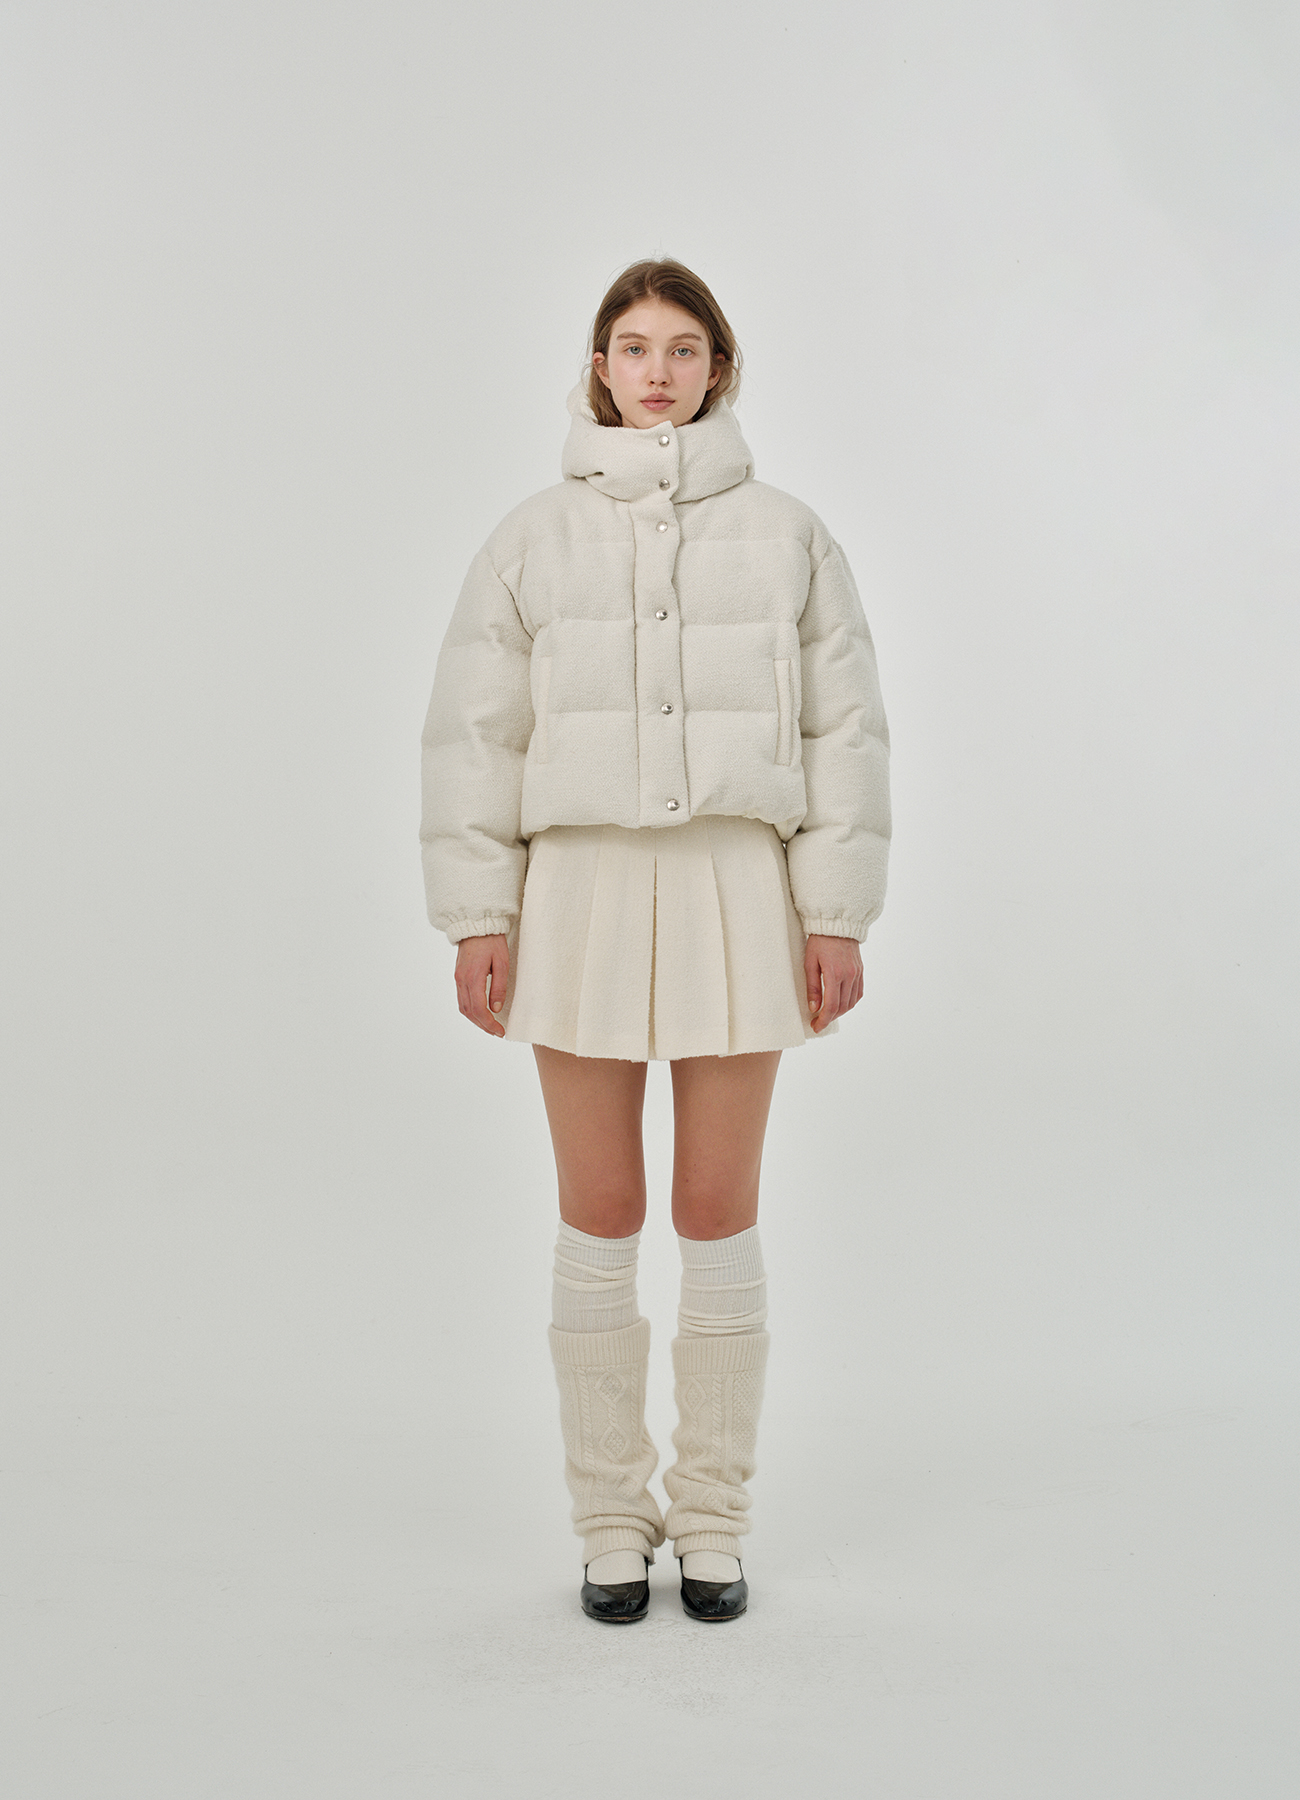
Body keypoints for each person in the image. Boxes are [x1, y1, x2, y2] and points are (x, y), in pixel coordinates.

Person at [419, 258, 890, 1624]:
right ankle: (611, 1522)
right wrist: (479, 912)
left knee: (716, 1209)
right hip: (576, 893)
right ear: (600, 367)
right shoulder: (530, 540)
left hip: (742, 889)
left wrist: (836, 911)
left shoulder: (792, 537)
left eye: (685, 348)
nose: (659, 371)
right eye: (635, 346)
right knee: (602, 1208)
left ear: (719, 368)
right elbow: (474, 736)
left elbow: (846, 734)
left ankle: (716, 1520)